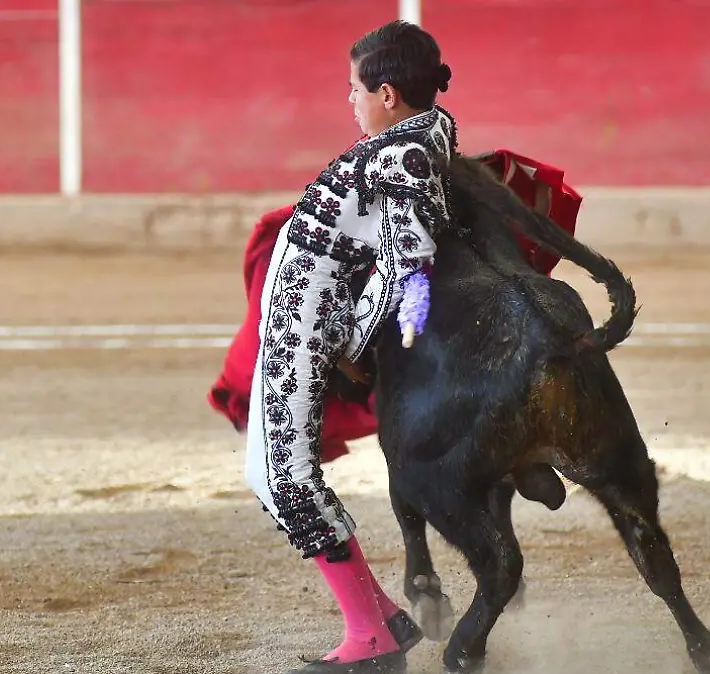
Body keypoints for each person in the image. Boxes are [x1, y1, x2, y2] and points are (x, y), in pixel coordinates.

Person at [243, 19, 457, 674]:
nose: (350, 101)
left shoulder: (402, 155)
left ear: (388, 94)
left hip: (308, 332)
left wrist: (353, 345)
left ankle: (372, 634)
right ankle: (380, 620)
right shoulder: (420, 136)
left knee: (284, 478)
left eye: (355, 89)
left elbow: (407, 267)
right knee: (276, 475)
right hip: (301, 324)